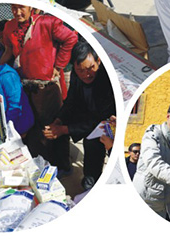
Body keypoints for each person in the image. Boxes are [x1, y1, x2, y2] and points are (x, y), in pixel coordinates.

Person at [0, 4, 78, 168]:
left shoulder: (47, 23)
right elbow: (9, 50)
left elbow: (70, 38)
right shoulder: (9, 27)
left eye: (21, 8)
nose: (17, 12)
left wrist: (59, 65)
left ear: (30, 7)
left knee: (52, 126)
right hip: (25, 85)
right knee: (32, 127)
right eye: (13, 8)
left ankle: (62, 166)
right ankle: (41, 165)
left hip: (47, 86)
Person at [44, 39, 116, 191]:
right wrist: (59, 121)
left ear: (98, 61)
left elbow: (98, 119)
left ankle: (92, 179)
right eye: (80, 70)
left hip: (106, 121)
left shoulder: (107, 79)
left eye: (90, 68)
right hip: (85, 113)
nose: (86, 75)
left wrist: (64, 129)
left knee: (92, 143)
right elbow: (71, 100)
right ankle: (63, 166)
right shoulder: (77, 75)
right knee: (53, 127)